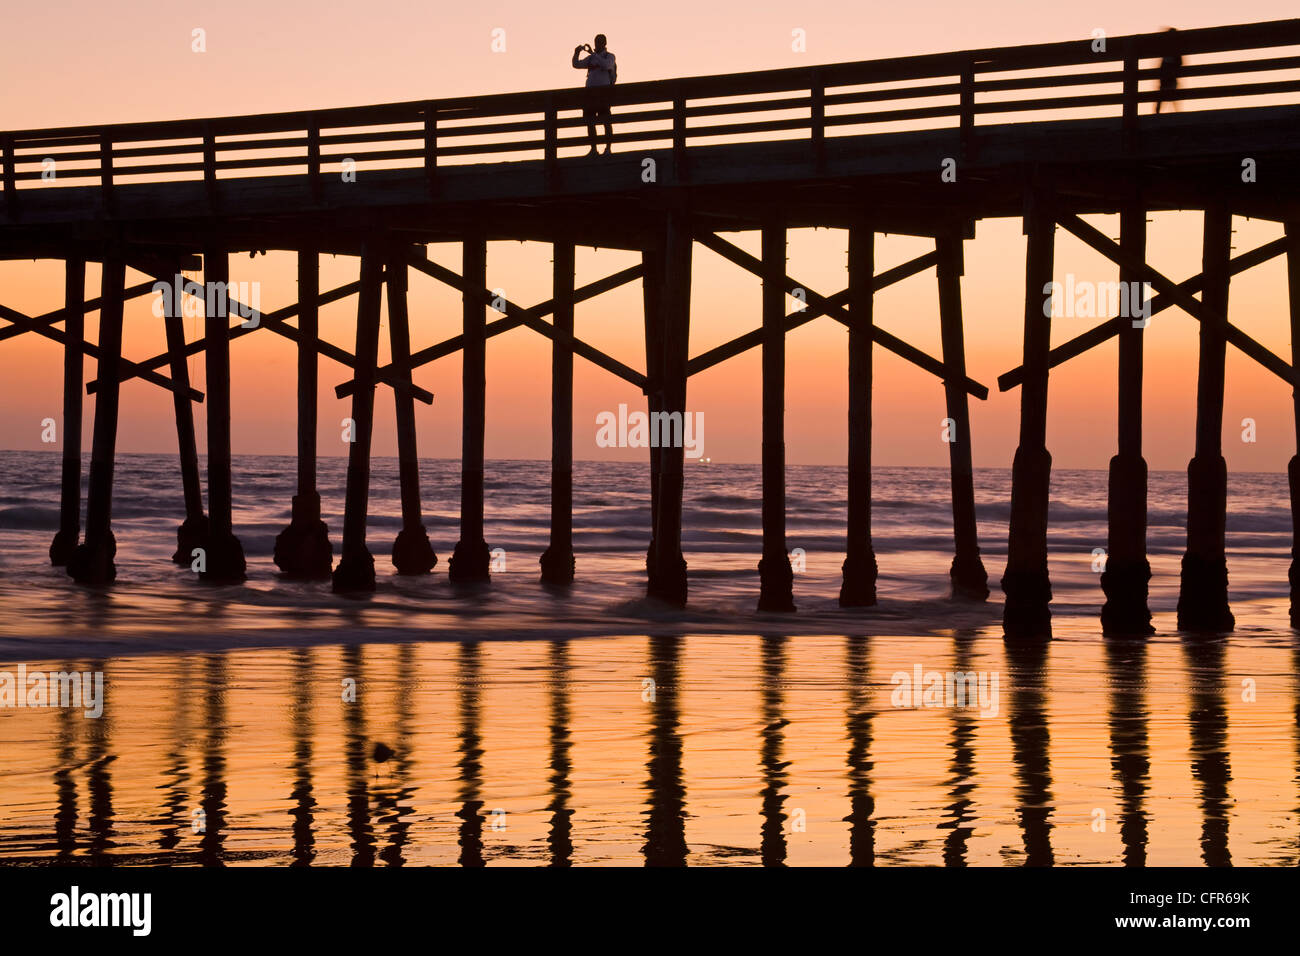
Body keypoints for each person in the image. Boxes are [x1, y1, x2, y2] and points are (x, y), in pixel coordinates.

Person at [572, 34, 617, 156]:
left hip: (604, 94)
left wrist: (594, 54)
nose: (598, 44)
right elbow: (576, 64)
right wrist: (576, 53)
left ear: (604, 43)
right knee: (590, 122)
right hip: (589, 94)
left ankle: (608, 148)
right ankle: (593, 149)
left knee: (606, 122)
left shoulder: (610, 56)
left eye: (600, 42)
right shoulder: (591, 58)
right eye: (596, 42)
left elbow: (606, 65)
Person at [1155, 27, 1181, 114]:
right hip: (1170, 77)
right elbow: (1180, 63)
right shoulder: (1176, 49)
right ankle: (1177, 114)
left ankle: (1157, 114)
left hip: (1166, 77)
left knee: (1163, 94)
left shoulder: (1167, 48)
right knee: (1171, 95)